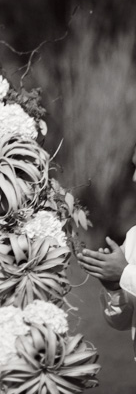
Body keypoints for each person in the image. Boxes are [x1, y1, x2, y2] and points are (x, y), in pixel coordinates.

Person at [77, 145, 136, 359]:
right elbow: (121, 322)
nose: (135, 179)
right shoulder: (134, 237)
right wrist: (114, 289)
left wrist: (125, 274)